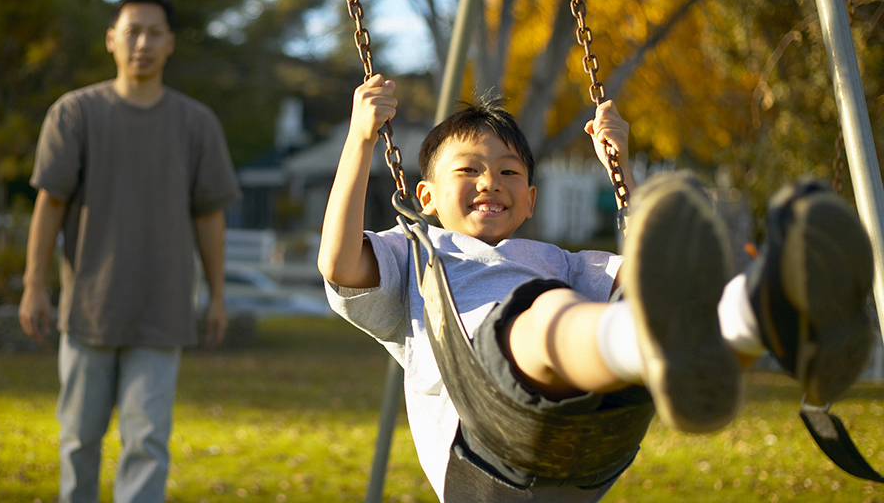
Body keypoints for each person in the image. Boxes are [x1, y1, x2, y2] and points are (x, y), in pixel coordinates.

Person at [317, 75, 874, 502]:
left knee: (641, 304)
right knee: (543, 313)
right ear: (427, 197)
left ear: (531, 200)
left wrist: (621, 170)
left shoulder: (563, 260)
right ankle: (728, 323)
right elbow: (339, 263)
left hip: (590, 442)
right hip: (482, 450)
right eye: (468, 170)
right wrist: (361, 139)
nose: (491, 182)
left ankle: (758, 316)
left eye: (510, 172)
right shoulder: (414, 253)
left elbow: (644, 279)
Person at [18, 0, 242, 503]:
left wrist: (217, 296)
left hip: (162, 311)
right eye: (132, 31)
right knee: (79, 440)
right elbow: (49, 204)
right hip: (89, 310)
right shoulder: (75, 113)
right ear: (111, 40)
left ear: (170, 44)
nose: (142, 42)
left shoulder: (196, 124)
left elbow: (209, 216)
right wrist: (34, 286)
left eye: (154, 32)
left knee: (147, 443)